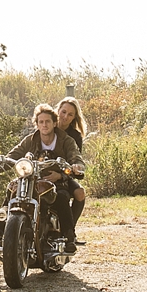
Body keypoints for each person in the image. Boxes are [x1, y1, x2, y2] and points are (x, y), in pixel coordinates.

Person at [0, 103, 85, 252]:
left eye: (47, 121)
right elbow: (13, 155)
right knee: (12, 190)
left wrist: (76, 167)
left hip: (56, 181)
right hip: (32, 179)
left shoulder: (66, 140)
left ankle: (68, 236)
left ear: (54, 123)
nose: (44, 125)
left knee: (62, 196)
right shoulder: (31, 139)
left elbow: (75, 156)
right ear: (37, 124)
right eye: (41, 122)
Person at [56, 96, 88, 244]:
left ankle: (69, 232)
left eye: (70, 114)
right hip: (42, 172)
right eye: (63, 112)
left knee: (80, 193)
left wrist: (75, 167)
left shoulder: (75, 136)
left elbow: (76, 157)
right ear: (58, 111)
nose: (65, 117)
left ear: (74, 117)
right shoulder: (47, 126)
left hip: (64, 174)